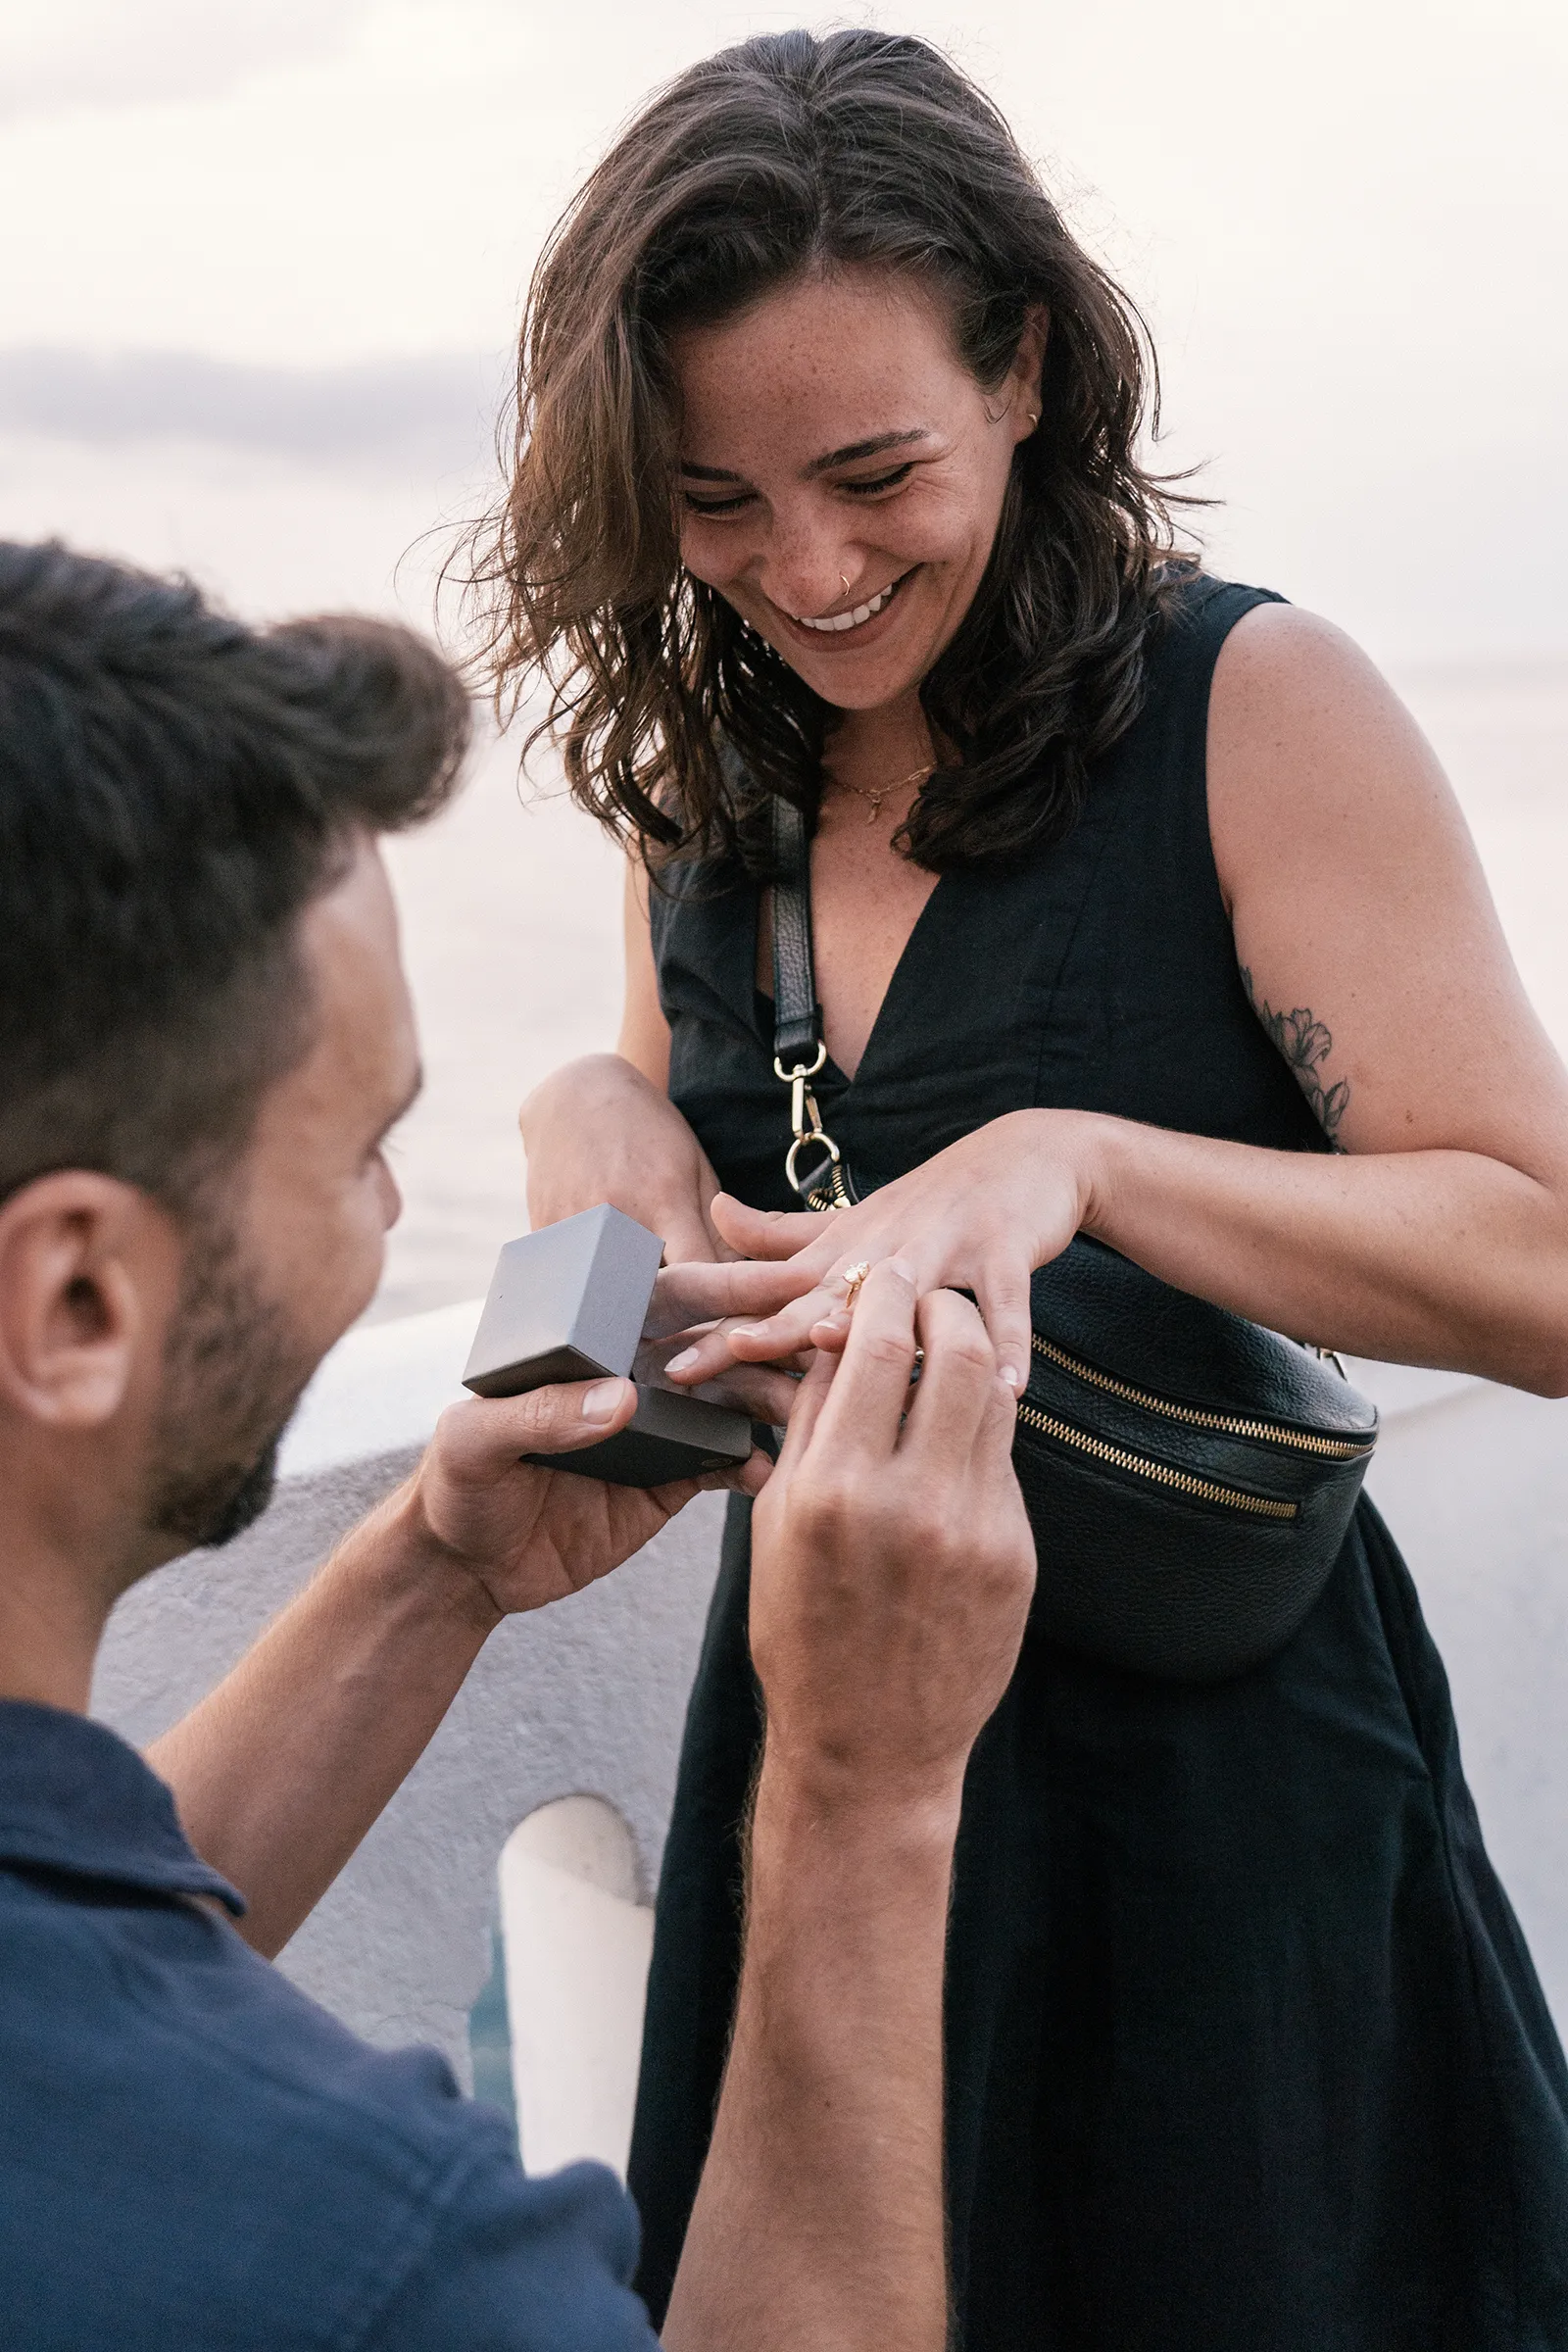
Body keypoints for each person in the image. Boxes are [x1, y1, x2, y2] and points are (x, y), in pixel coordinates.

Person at [487, 26, 1568, 2349]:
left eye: (872, 472)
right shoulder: (708, 789)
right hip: (821, 1775)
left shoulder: (1250, 705)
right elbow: (710, 1183)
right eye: (712, 499)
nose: (804, 568)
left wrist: (1066, 1162)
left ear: (1026, 372)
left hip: (1219, 1804)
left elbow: (1546, 1261)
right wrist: (582, 1116)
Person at [0, 536, 1037, 2349]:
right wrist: (862, 1791)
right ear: (78, 1302)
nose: (397, 1216)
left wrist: (434, 1568)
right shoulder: (369, 2256)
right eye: (359, 1153)